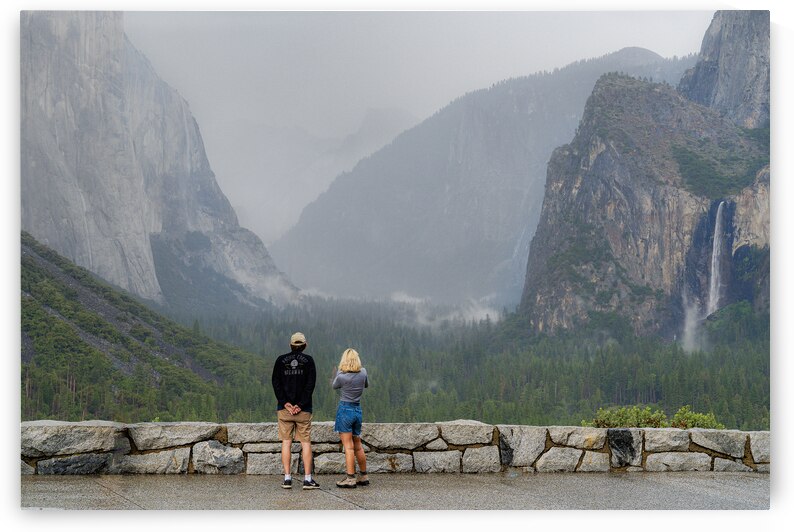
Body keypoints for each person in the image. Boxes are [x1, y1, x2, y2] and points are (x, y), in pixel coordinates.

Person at [271, 332, 319, 490]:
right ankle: (307, 479)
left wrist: (286, 403)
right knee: (305, 443)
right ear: (305, 345)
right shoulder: (309, 361)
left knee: (286, 442)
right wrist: (299, 404)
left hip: (284, 410)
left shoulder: (280, 360)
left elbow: (275, 383)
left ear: (290, 345)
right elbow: (310, 385)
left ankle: (287, 478)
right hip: (303, 409)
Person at [332, 348, 369, 488]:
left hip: (345, 410)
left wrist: (339, 372)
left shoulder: (342, 376)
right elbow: (366, 385)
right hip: (357, 409)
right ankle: (363, 476)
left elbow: (334, 386)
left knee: (348, 447)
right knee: (358, 445)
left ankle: (350, 478)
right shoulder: (363, 372)